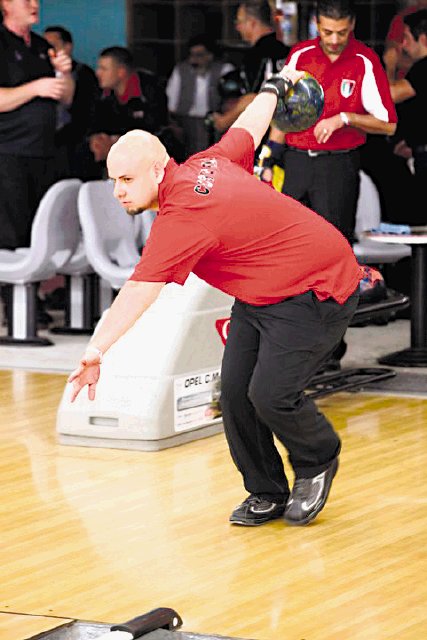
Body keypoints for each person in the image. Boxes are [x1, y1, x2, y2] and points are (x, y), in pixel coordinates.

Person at [68, 65, 363, 528]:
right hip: (261, 294)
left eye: (126, 180)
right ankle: (266, 491)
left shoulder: (182, 216)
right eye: (113, 182)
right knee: (234, 395)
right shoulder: (209, 162)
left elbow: (138, 292)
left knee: (271, 395)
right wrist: (272, 88)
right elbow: (250, 125)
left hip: (317, 286)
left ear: (159, 168)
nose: (118, 192)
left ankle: (318, 459)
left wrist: (95, 349)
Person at [263, 0, 397, 244]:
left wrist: (346, 118)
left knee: (333, 244)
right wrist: (268, 157)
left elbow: (388, 123)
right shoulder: (300, 55)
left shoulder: (364, 60)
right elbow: (285, 113)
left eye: (342, 32)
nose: (334, 40)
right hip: (296, 161)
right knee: (288, 242)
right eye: (327, 32)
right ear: (317, 24)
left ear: (352, 25)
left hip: (337, 164)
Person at [0, 0, 74, 250]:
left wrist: (64, 74)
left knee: (42, 231)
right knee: (13, 234)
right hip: (9, 153)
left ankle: (40, 289)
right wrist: (34, 88)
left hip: (44, 151)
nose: (35, 4)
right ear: (6, 4)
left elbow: (66, 97)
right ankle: (9, 289)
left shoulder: (43, 46)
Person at [210, 0, 289, 136]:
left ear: (252, 23)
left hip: (265, 133)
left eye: (239, 22)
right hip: (289, 130)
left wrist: (223, 121)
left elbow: (255, 97)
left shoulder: (256, 55)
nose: (237, 28)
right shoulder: (287, 52)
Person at [89, 46, 169, 172]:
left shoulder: (149, 89)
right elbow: (95, 122)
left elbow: (156, 127)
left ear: (120, 72)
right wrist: (97, 138)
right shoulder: (102, 92)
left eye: (103, 69)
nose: (98, 73)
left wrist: (118, 140)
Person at [43, 25, 101, 181]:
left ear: (67, 47)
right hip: (46, 145)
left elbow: (88, 112)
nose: (48, 51)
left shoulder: (83, 74)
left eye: (53, 46)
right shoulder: (41, 73)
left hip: (74, 145)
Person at [166, 34, 234, 158]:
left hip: (214, 124)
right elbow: (171, 105)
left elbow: (233, 104)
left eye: (199, 56)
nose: (194, 60)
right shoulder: (181, 70)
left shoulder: (225, 70)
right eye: (192, 56)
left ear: (210, 55)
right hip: (186, 124)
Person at [389, 9, 427, 224]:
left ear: (422, 38)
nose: (402, 45)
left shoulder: (423, 67)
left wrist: (389, 65)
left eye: (406, 38)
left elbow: (391, 95)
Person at [383, 0, 427, 81]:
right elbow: (392, 55)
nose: (403, 44)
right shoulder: (402, 18)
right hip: (404, 81)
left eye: (407, 38)